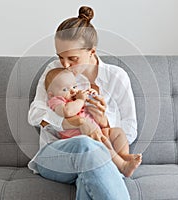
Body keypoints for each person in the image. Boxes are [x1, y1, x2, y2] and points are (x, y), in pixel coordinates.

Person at [28, 6, 141, 200]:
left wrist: (104, 123)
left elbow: (129, 129)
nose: (64, 65)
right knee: (84, 144)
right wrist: (78, 123)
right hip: (55, 156)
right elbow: (35, 114)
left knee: (89, 175)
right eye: (60, 57)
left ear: (92, 51)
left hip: (100, 158)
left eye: (72, 59)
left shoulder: (117, 77)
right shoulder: (54, 72)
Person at [44, 67, 142, 177]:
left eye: (74, 86)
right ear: (51, 95)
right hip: (81, 138)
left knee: (118, 132)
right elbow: (67, 111)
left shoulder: (75, 97)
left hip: (96, 130)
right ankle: (123, 166)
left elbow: (92, 105)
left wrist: (92, 95)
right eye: (65, 89)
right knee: (102, 142)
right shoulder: (57, 101)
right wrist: (80, 100)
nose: (72, 91)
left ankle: (123, 155)